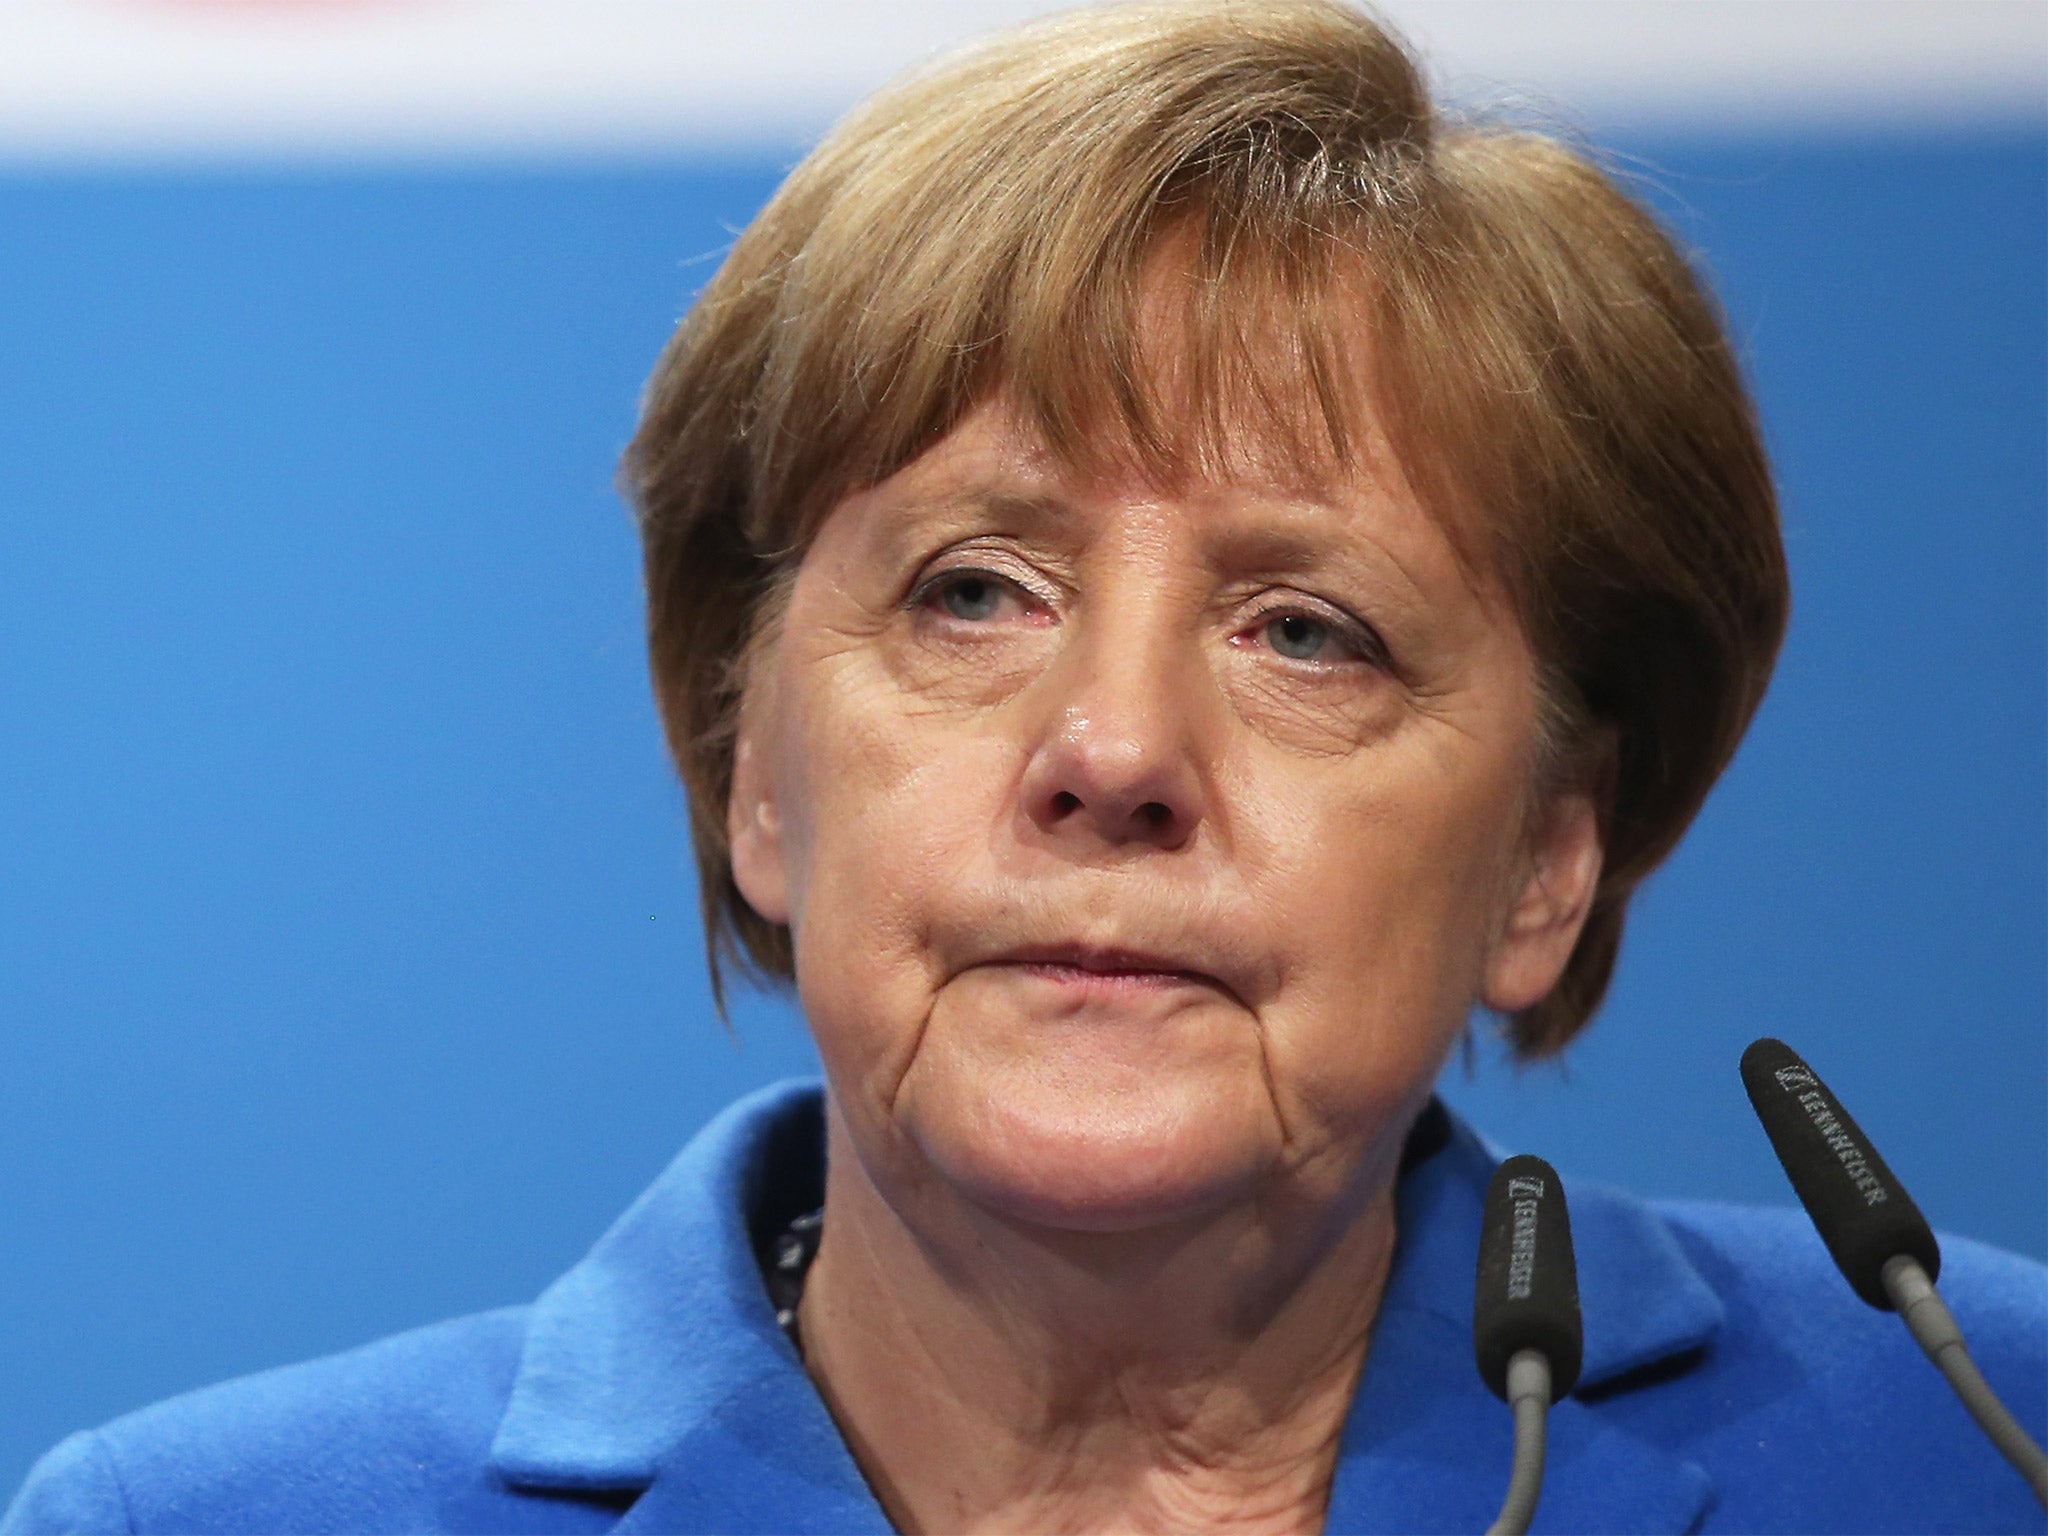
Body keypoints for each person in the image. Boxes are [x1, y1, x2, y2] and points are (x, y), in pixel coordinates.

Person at [7, 2, 2044, 1532]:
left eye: (1305, 631)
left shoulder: (1967, 1439)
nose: (1114, 751)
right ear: (757, 778)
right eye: (974, 596)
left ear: (1546, 861)